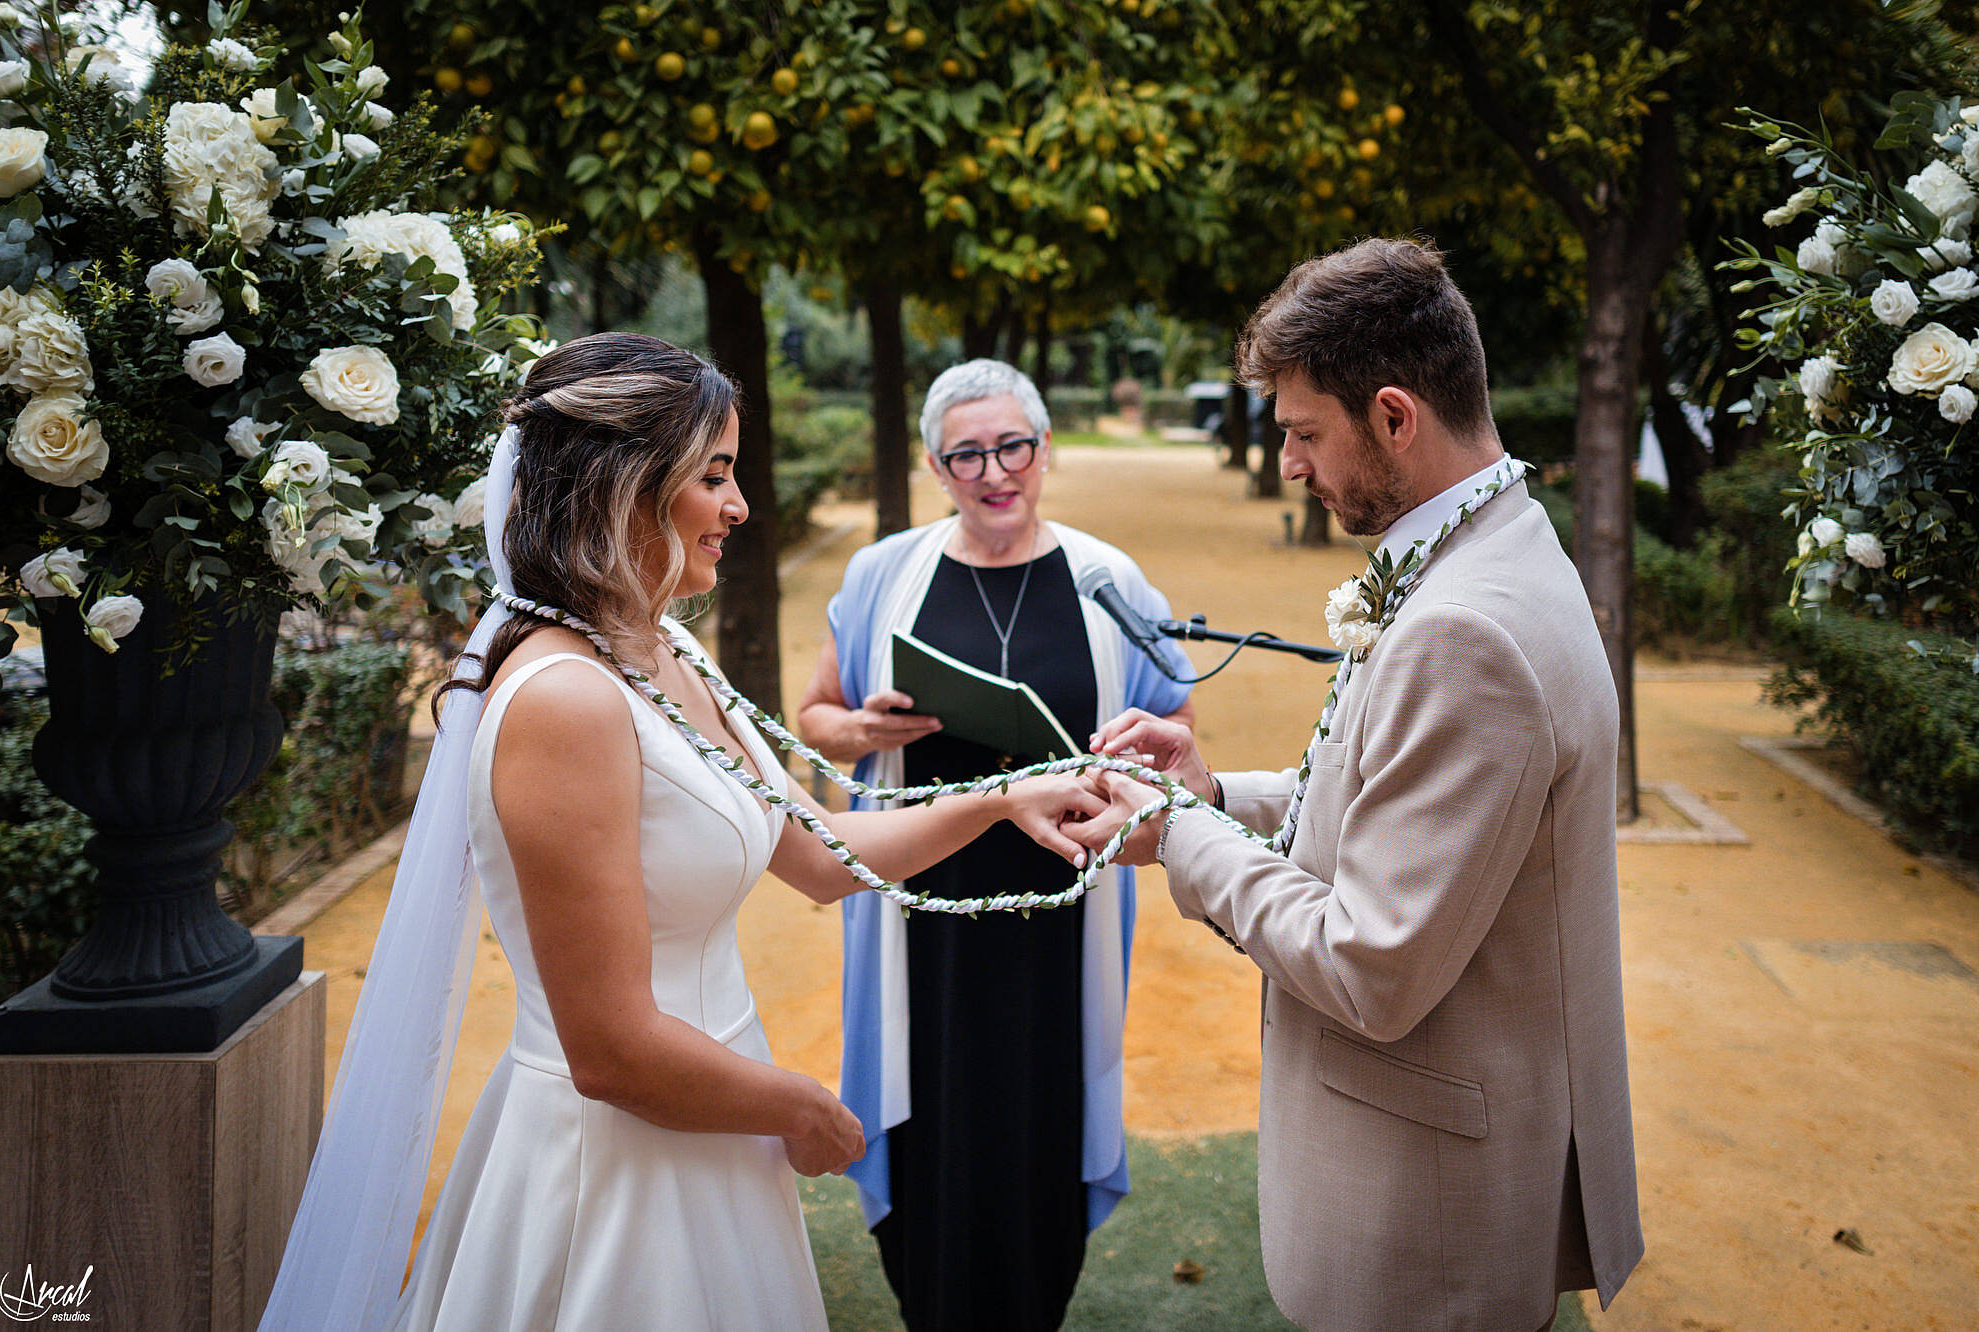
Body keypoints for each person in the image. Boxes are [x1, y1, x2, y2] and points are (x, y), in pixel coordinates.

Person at [260, 335, 1102, 1332]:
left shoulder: (663, 648)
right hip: (619, 1163)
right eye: (713, 475)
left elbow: (820, 858)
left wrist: (1002, 800)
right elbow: (610, 1049)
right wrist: (795, 1104)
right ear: (623, 487)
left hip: (713, 1123)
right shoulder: (565, 701)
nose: (740, 507)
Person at [1068, 239, 1644, 1331]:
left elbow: (1369, 964)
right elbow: (1405, 805)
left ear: (1391, 416)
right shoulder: (1501, 548)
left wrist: (1180, 840)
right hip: (1453, 1154)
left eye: (1300, 433)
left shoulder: (1464, 628)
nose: (1286, 463)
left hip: (1419, 1212)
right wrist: (1215, 794)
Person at [796, 358, 1194, 1330]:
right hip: (921, 912)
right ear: (937, 467)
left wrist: (1130, 777)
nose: (992, 471)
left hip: (1062, 910)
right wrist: (862, 730)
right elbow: (814, 716)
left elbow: (1177, 736)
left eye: (1011, 445)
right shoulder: (883, 574)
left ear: (1044, 449)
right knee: (929, 1116)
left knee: (1038, 1120)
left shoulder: (1110, 580)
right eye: (965, 454)